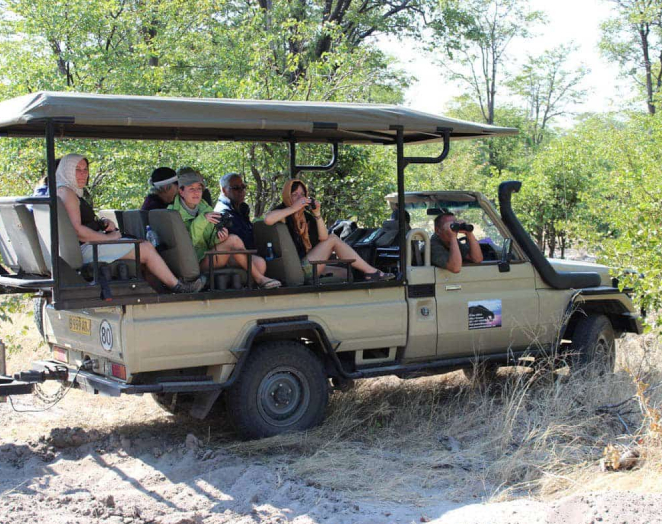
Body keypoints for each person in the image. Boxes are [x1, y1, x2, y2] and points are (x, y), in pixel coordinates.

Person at [56, 154, 204, 293]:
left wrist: (101, 223)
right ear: (67, 171)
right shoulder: (68, 193)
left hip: (83, 247)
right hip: (85, 250)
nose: (83, 174)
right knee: (145, 248)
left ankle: (158, 289)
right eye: (77, 170)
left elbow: (79, 224)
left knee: (140, 244)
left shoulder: (63, 191)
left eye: (85, 169)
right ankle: (178, 287)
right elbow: (77, 231)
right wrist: (109, 238)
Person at [170, 167, 281, 289]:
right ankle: (261, 280)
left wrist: (218, 238)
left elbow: (209, 239)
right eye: (191, 189)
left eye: (199, 188)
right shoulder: (173, 213)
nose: (196, 193)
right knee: (233, 240)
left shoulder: (204, 207)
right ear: (181, 191)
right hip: (194, 262)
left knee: (259, 263)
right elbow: (187, 245)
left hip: (209, 255)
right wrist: (203, 220)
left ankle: (248, 294)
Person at [264, 179, 395, 281]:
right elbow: (268, 219)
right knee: (334, 239)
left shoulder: (306, 217)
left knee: (346, 273)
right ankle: (372, 272)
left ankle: (368, 275)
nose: (300, 198)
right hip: (297, 268)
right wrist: (293, 209)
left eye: (303, 195)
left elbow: (323, 238)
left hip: (308, 263)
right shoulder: (282, 212)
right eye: (295, 195)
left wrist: (317, 214)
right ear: (287, 196)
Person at [214, 172, 255, 249]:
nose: (241, 190)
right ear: (224, 190)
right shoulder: (223, 213)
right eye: (236, 188)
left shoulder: (241, 208)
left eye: (243, 186)